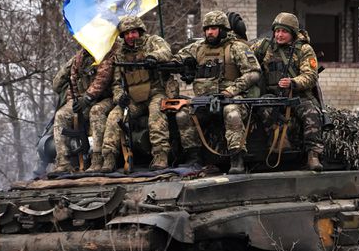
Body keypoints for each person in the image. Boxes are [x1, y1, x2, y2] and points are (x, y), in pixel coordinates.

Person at [172, 9, 261, 173]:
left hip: (231, 99)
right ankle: (193, 157)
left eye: (213, 28)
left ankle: (237, 157)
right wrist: (184, 65)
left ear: (223, 29)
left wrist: (231, 90)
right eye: (206, 29)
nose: (209, 32)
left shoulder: (237, 48)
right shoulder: (198, 48)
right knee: (182, 114)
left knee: (231, 113)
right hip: (204, 101)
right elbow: (176, 59)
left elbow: (254, 73)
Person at [97, 15, 175, 172]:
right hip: (133, 98)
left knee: (156, 114)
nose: (130, 36)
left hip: (155, 92)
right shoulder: (120, 54)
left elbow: (166, 52)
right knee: (114, 116)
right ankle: (109, 158)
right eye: (126, 34)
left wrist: (153, 57)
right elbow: (117, 82)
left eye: (133, 32)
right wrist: (120, 97)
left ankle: (160, 156)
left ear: (140, 31)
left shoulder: (152, 42)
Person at [250, 12, 325, 171]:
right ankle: (280, 143)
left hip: (298, 96)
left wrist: (294, 82)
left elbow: (311, 75)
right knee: (263, 103)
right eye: (277, 31)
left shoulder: (304, 49)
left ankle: (313, 155)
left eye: (284, 31)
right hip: (274, 96)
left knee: (311, 114)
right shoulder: (264, 46)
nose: (279, 35)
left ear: (292, 33)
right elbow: (242, 51)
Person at [51, 42, 118, 173]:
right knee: (61, 115)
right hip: (83, 100)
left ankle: (97, 159)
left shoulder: (105, 55)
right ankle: (63, 161)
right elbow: (72, 82)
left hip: (105, 99)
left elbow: (101, 81)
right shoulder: (79, 58)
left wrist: (86, 98)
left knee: (96, 111)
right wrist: (73, 101)